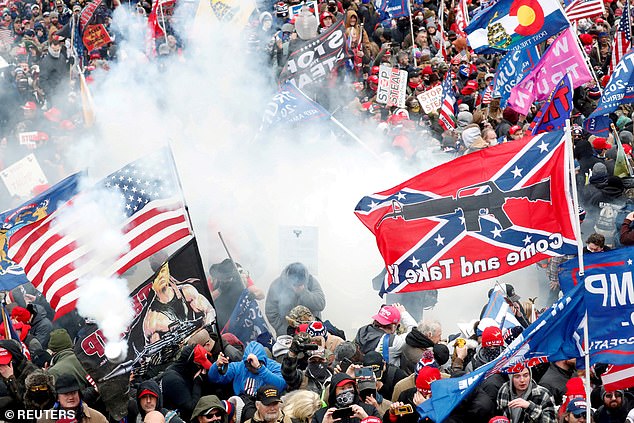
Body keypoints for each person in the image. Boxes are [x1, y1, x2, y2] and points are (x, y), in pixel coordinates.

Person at [143, 262, 216, 343]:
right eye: (156, 276)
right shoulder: (152, 319)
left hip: (206, 343)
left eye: (163, 271)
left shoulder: (186, 291)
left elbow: (210, 311)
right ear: (150, 284)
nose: (161, 277)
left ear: (167, 272)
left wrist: (203, 332)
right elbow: (156, 353)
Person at [265, 263, 326, 336]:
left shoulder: (311, 282)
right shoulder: (277, 284)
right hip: (287, 334)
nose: (297, 287)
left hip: (312, 333)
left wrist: (303, 292)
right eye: (294, 285)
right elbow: (271, 312)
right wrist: (283, 330)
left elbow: (321, 304)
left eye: (300, 284)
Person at [208, 341, 286, 397]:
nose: (252, 367)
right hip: (242, 404)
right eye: (249, 365)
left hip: (266, 403)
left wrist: (260, 368)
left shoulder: (275, 367)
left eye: (255, 363)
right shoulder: (238, 367)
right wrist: (216, 366)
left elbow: (281, 385)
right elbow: (215, 379)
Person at [311, 373, 380, 423]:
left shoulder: (369, 410)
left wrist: (367, 419)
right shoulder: (321, 415)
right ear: (334, 392)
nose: (347, 391)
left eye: (350, 387)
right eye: (342, 388)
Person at [37, 374, 107, 423]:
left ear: (79, 394)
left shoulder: (97, 418)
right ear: (57, 397)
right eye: (65, 394)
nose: (70, 397)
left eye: (73, 393)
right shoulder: (44, 419)